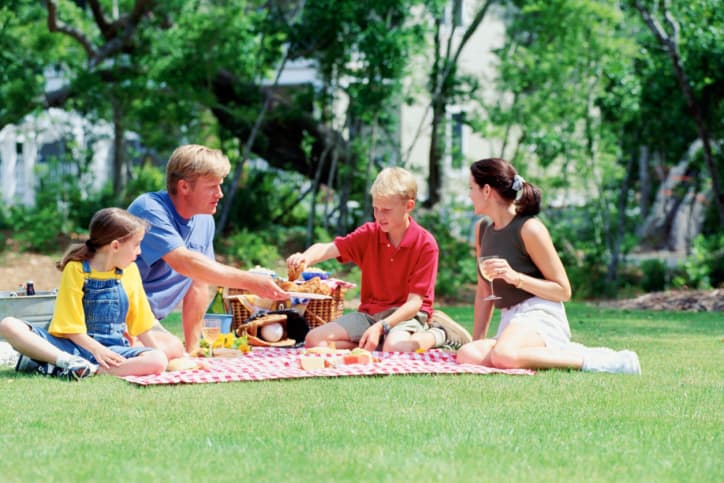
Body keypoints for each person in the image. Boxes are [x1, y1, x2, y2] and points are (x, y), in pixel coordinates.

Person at [456, 158, 641, 374]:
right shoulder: (483, 229)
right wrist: (477, 341)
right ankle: (545, 352)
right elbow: (484, 290)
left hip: (540, 314)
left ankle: (607, 361)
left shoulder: (530, 229)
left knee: (503, 356)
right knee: (469, 355)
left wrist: (516, 278)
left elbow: (563, 291)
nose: (470, 195)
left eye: (471, 188)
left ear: (487, 190)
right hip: (511, 320)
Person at [286, 167, 470, 352]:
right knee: (313, 341)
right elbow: (328, 248)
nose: (379, 216)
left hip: (406, 315)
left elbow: (414, 303)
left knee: (395, 348)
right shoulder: (369, 233)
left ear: (409, 206)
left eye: (386, 210)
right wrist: (305, 257)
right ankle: (377, 344)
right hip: (369, 315)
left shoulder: (425, 244)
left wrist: (382, 326)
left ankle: (438, 333)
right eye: (376, 209)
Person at [128, 144, 288, 353]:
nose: (220, 194)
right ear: (184, 187)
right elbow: (184, 262)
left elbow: (198, 284)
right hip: (114, 317)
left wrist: (193, 349)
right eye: (212, 186)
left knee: (176, 350)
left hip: (144, 322)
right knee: (171, 350)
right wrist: (251, 281)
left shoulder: (204, 220)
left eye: (220, 185)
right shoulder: (149, 209)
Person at [0, 208, 169, 380]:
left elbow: (141, 323)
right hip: (70, 347)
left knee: (158, 359)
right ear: (115, 246)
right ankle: (66, 362)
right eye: (136, 244)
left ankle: (83, 369)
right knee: (8, 325)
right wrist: (96, 350)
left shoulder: (130, 271)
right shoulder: (76, 269)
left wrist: (160, 358)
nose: (139, 251)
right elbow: (69, 327)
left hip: (112, 350)